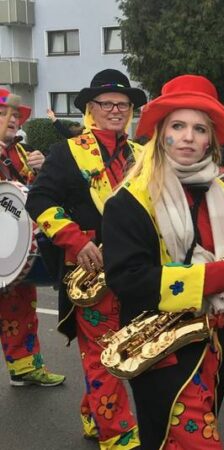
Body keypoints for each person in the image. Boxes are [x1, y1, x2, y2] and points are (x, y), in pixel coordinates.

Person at [102, 74, 224, 449]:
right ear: (161, 133)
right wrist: (202, 279)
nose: (188, 137)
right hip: (162, 347)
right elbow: (126, 279)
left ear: (210, 141)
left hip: (214, 343)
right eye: (178, 126)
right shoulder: (129, 200)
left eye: (199, 129)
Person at [26, 69, 145, 449]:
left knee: (127, 346)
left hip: (136, 268)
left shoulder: (141, 154)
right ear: (91, 109)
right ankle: (118, 433)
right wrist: (75, 241)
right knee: (102, 351)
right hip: (91, 271)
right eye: (107, 103)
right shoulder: (69, 151)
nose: (115, 110)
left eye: (122, 105)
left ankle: (95, 412)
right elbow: (39, 200)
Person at [0, 89, 65, 388]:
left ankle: (24, 368)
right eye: (4, 114)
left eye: (15, 115)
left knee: (21, 307)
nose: (12, 120)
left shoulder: (22, 152)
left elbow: (34, 197)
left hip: (13, 250)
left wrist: (40, 171)